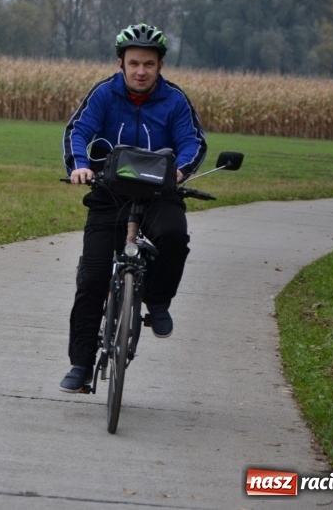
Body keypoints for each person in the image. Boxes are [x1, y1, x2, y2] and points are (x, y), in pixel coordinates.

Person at [59, 22, 207, 393]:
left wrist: (181, 170)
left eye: (149, 64)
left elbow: (193, 142)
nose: (141, 71)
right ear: (121, 63)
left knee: (174, 235)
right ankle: (80, 363)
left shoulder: (174, 100)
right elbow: (78, 131)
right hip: (110, 193)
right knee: (91, 277)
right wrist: (79, 165)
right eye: (134, 63)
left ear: (160, 66)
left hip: (159, 195)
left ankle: (156, 301)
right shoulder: (105, 94)